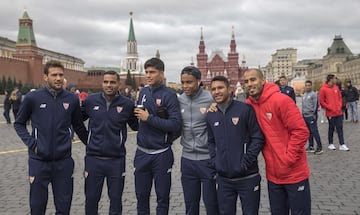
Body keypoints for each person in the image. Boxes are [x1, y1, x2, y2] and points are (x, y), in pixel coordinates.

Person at [13, 60, 88, 214]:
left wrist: (92, 145)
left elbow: (78, 126)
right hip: (38, 162)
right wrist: (32, 143)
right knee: (37, 207)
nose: (58, 78)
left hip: (64, 162)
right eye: (54, 75)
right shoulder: (33, 98)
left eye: (61, 75)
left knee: (63, 207)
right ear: (45, 77)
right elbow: (19, 124)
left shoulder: (72, 99)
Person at [243, 68, 311, 215]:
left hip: (294, 172)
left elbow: (301, 131)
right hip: (273, 175)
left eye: (253, 80)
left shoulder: (281, 100)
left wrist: (288, 159)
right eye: (246, 81)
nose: (249, 84)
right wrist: (215, 106)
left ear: (263, 81)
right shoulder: (249, 106)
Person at [81, 70, 138, 215]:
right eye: (106, 82)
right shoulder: (90, 101)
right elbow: (76, 121)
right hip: (93, 160)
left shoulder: (127, 104)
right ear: (102, 83)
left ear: (119, 83)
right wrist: (86, 139)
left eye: (112, 82)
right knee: (91, 199)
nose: (109, 85)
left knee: (116, 200)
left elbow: (136, 126)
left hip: (116, 160)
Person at [207, 76, 264, 215]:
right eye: (213, 89)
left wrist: (245, 162)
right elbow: (211, 141)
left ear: (230, 89)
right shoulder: (211, 115)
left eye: (220, 88)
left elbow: (257, 138)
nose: (216, 92)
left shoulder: (245, 109)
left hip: (248, 177)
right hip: (224, 179)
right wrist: (216, 162)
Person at [133, 58, 182, 214]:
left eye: (152, 72)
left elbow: (175, 125)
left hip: (161, 154)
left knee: (162, 197)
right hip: (141, 153)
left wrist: (149, 119)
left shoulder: (169, 95)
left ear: (161, 73)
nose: (148, 75)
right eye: (146, 72)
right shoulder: (144, 92)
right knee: (141, 196)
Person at [178, 66, 219, 215]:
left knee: (211, 204)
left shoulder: (210, 98)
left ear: (199, 81)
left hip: (207, 160)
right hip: (187, 159)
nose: (185, 86)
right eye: (183, 82)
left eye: (189, 82)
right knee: (190, 205)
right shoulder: (179, 100)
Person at [319, 74, 350, 151]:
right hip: (330, 113)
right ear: (331, 80)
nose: (336, 80)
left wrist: (339, 105)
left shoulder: (336, 87)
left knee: (340, 128)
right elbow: (322, 101)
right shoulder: (323, 89)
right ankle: (330, 143)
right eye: (335, 79)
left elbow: (340, 97)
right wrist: (329, 107)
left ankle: (342, 144)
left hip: (338, 112)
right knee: (331, 128)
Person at [302, 80, 323, 155]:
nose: (307, 87)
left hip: (311, 116)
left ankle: (319, 147)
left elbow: (315, 106)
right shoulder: (304, 94)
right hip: (305, 116)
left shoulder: (314, 94)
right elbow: (303, 105)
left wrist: (314, 115)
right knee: (308, 132)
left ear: (311, 86)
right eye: (306, 85)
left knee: (314, 131)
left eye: (309, 85)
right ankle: (311, 146)